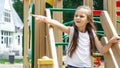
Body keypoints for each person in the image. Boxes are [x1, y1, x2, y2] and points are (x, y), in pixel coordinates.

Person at [32, 6, 120, 68]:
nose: (77, 18)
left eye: (81, 16)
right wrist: (44, 19)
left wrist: (110, 42)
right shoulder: (72, 31)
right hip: (71, 66)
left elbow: (102, 50)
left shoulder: (91, 33)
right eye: (76, 15)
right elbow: (58, 24)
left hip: (86, 66)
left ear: (88, 20)